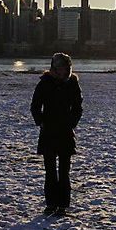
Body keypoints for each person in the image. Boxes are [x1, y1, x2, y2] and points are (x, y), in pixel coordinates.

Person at [31, 53, 83, 216]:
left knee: (64, 171)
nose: (64, 71)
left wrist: (71, 123)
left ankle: (62, 205)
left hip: (65, 132)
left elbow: (78, 107)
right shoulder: (45, 83)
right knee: (50, 171)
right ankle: (51, 204)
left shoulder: (73, 83)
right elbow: (35, 106)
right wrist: (41, 121)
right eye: (61, 67)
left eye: (66, 68)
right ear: (54, 68)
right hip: (49, 132)